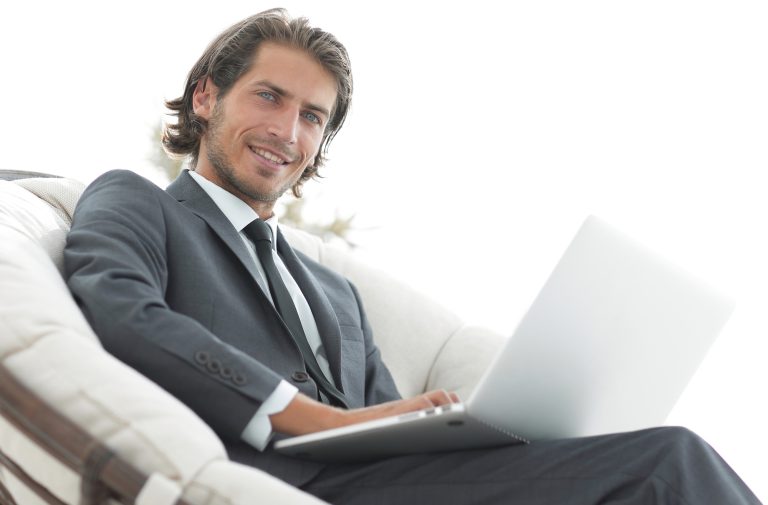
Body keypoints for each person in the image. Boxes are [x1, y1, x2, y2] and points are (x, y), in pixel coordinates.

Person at [63, 8, 760, 504]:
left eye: (312, 116)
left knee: (632, 459)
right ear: (207, 95)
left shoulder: (335, 295)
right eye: (270, 97)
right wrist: (311, 417)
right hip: (282, 480)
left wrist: (491, 433)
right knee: (669, 460)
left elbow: (389, 430)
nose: (287, 130)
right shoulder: (137, 201)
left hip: (395, 481)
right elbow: (126, 313)